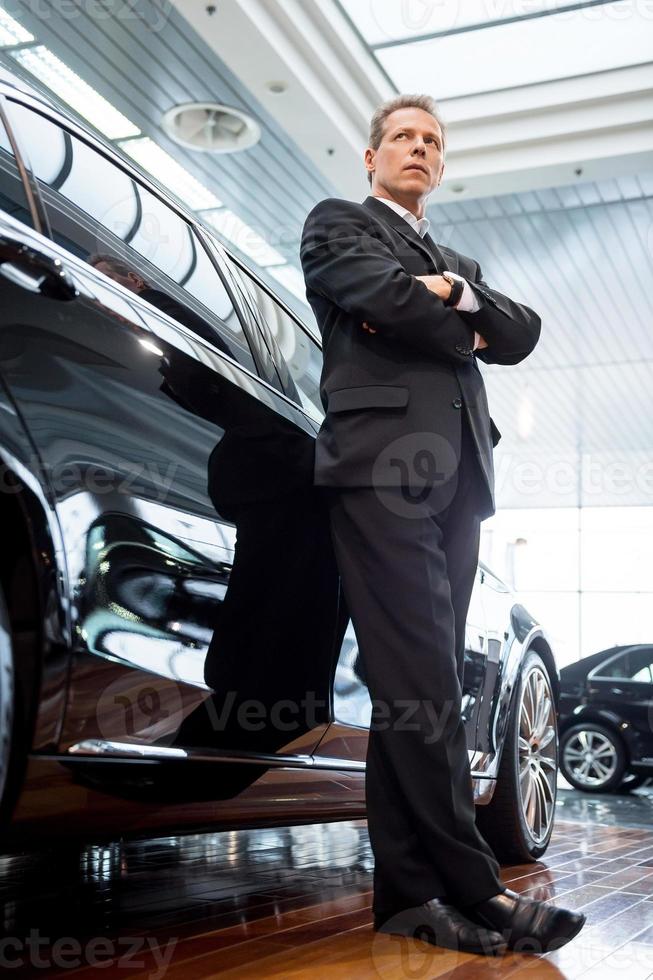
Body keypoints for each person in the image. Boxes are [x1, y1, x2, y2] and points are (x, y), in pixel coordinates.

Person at [300, 93, 585, 956]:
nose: (418, 150)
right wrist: (460, 323)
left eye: (432, 142)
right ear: (370, 155)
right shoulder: (336, 221)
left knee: (414, 690)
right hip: (382, 469)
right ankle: (473, 886)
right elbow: (378, 294)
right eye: (402, 139)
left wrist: (453, 292)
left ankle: (408, 898)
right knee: (420, 681)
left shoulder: (453, 257)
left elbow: (522, 331)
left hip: (458, 482)